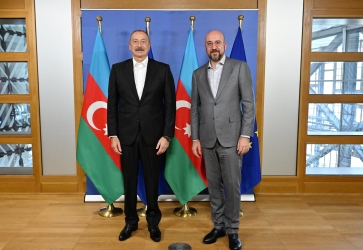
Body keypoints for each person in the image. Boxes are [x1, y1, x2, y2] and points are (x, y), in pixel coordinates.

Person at [107, 30, 176, 242]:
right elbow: (112, 105)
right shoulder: (118, 70)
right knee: (129, 181)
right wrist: (113, 134)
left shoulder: (163, 70)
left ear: (149, 44)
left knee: (152, 181)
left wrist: (167, 136)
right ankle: (130, 221)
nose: (139, 45)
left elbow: (171, 107)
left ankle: (153, 224)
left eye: (143, 42)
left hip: (154, 137)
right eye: (135, 42)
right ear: (129, 46)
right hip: (126, 136)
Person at [190, 30, 255, 250]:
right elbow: (194, 109)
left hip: (232, 139)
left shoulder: (239, 68)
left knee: (232, 187)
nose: (214, 46)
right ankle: (218, 225)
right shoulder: (198, 74)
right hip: (207, 139)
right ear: (205, 47)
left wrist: (245, 136)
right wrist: (196, 138)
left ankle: (233, 230)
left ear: (225, 45)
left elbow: (248, 105)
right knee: (214, 187)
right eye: (209, 43)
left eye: (217, 42)